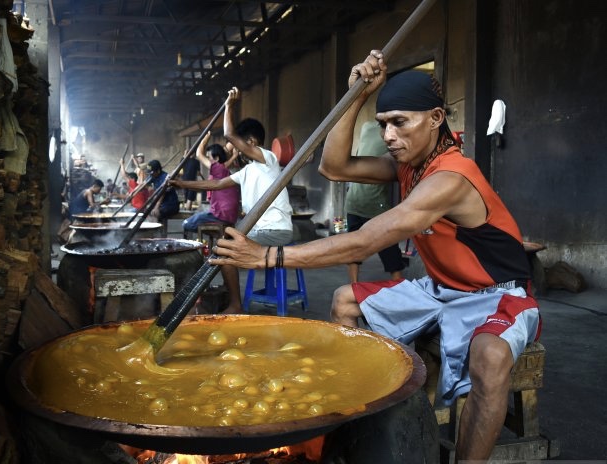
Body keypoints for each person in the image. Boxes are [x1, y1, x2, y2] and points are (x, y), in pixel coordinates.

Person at [210, 51, 540, 461]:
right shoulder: (410, 166)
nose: (387, 135)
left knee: (489, 357)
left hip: (497, 294)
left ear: (436, 118)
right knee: (344, 300)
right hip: (440, 289)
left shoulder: (451, 177)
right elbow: (333, 166)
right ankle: (365, 414)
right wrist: (356, 96)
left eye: (400, 122)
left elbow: (365, 241)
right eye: (383, 124)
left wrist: (266, 257)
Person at [173, 87, 293, 314]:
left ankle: (235, 305)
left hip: (276, 229)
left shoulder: (268, 158)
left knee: (223, 250)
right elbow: (216, 184)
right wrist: (182, 184)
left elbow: (229, 135)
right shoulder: (248, 170)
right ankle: (231, 298)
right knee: (223, 246)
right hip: (260, 230)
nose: (231, 147)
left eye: (238, 142)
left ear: (252, 141)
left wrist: (229, 104)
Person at [344, 120, 405, 282]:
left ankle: (354, 286)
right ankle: (398, 286)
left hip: (352, 200)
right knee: (389, 248)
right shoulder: (394, 134)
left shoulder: (366, 127)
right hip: (374, 202)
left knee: (353, 248)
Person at [172, 131, 240, 237]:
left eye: (209, 157)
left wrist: (205, 137)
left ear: (217, 158)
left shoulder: (219, 167)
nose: (207, 160)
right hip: (229, 216)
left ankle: (216, 235)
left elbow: (199, 154)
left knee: (186, 224)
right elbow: (226, 153)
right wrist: (234, 155)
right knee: (197, 218)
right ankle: (217, 235)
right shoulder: (224, 169)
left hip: (220, 215)